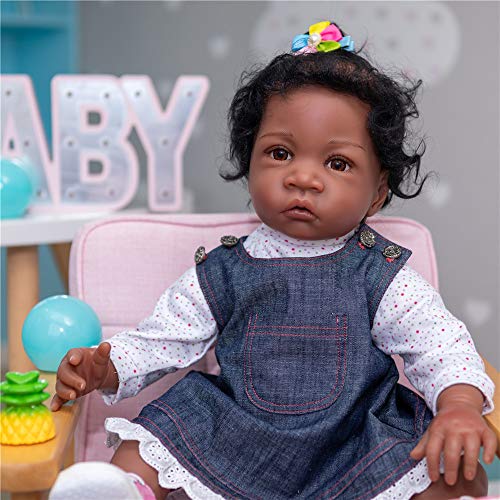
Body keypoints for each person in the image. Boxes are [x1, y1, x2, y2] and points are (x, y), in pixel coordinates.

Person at [49, 20, 496, 500]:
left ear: (377, 193)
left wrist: (459, 405)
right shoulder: (224, 270)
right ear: (250, 165)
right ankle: (127, 490)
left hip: (353, 442)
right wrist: (105, 367)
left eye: (337, 163)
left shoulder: (380, 274)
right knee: (152, 438)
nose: (303, 178)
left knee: (447, 472)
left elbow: (439, 345)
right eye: (280, 153)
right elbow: (162, 340)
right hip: (235, 433)